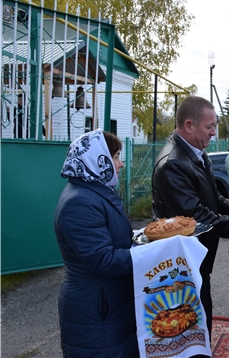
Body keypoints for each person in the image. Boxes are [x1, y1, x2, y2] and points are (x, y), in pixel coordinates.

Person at [152, 95, 229, 338]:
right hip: (182, 258)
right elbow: (193, 214)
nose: (214, 132)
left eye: (214, 125)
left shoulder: (196, 153)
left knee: (200, 310)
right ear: (188, 125)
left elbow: (211, 193)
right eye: (209, 126)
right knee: (187, 315)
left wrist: (228, 207)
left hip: (197, 254)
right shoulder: (172, 163)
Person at [54, 129, 139, 357]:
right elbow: (103, 260)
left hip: (106, 304)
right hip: (96, 309)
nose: (121, 164)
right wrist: (154, 253)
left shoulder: (94, 192)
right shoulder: (79, 202)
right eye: (116, 157)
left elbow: (114, 239)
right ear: (96, 159)